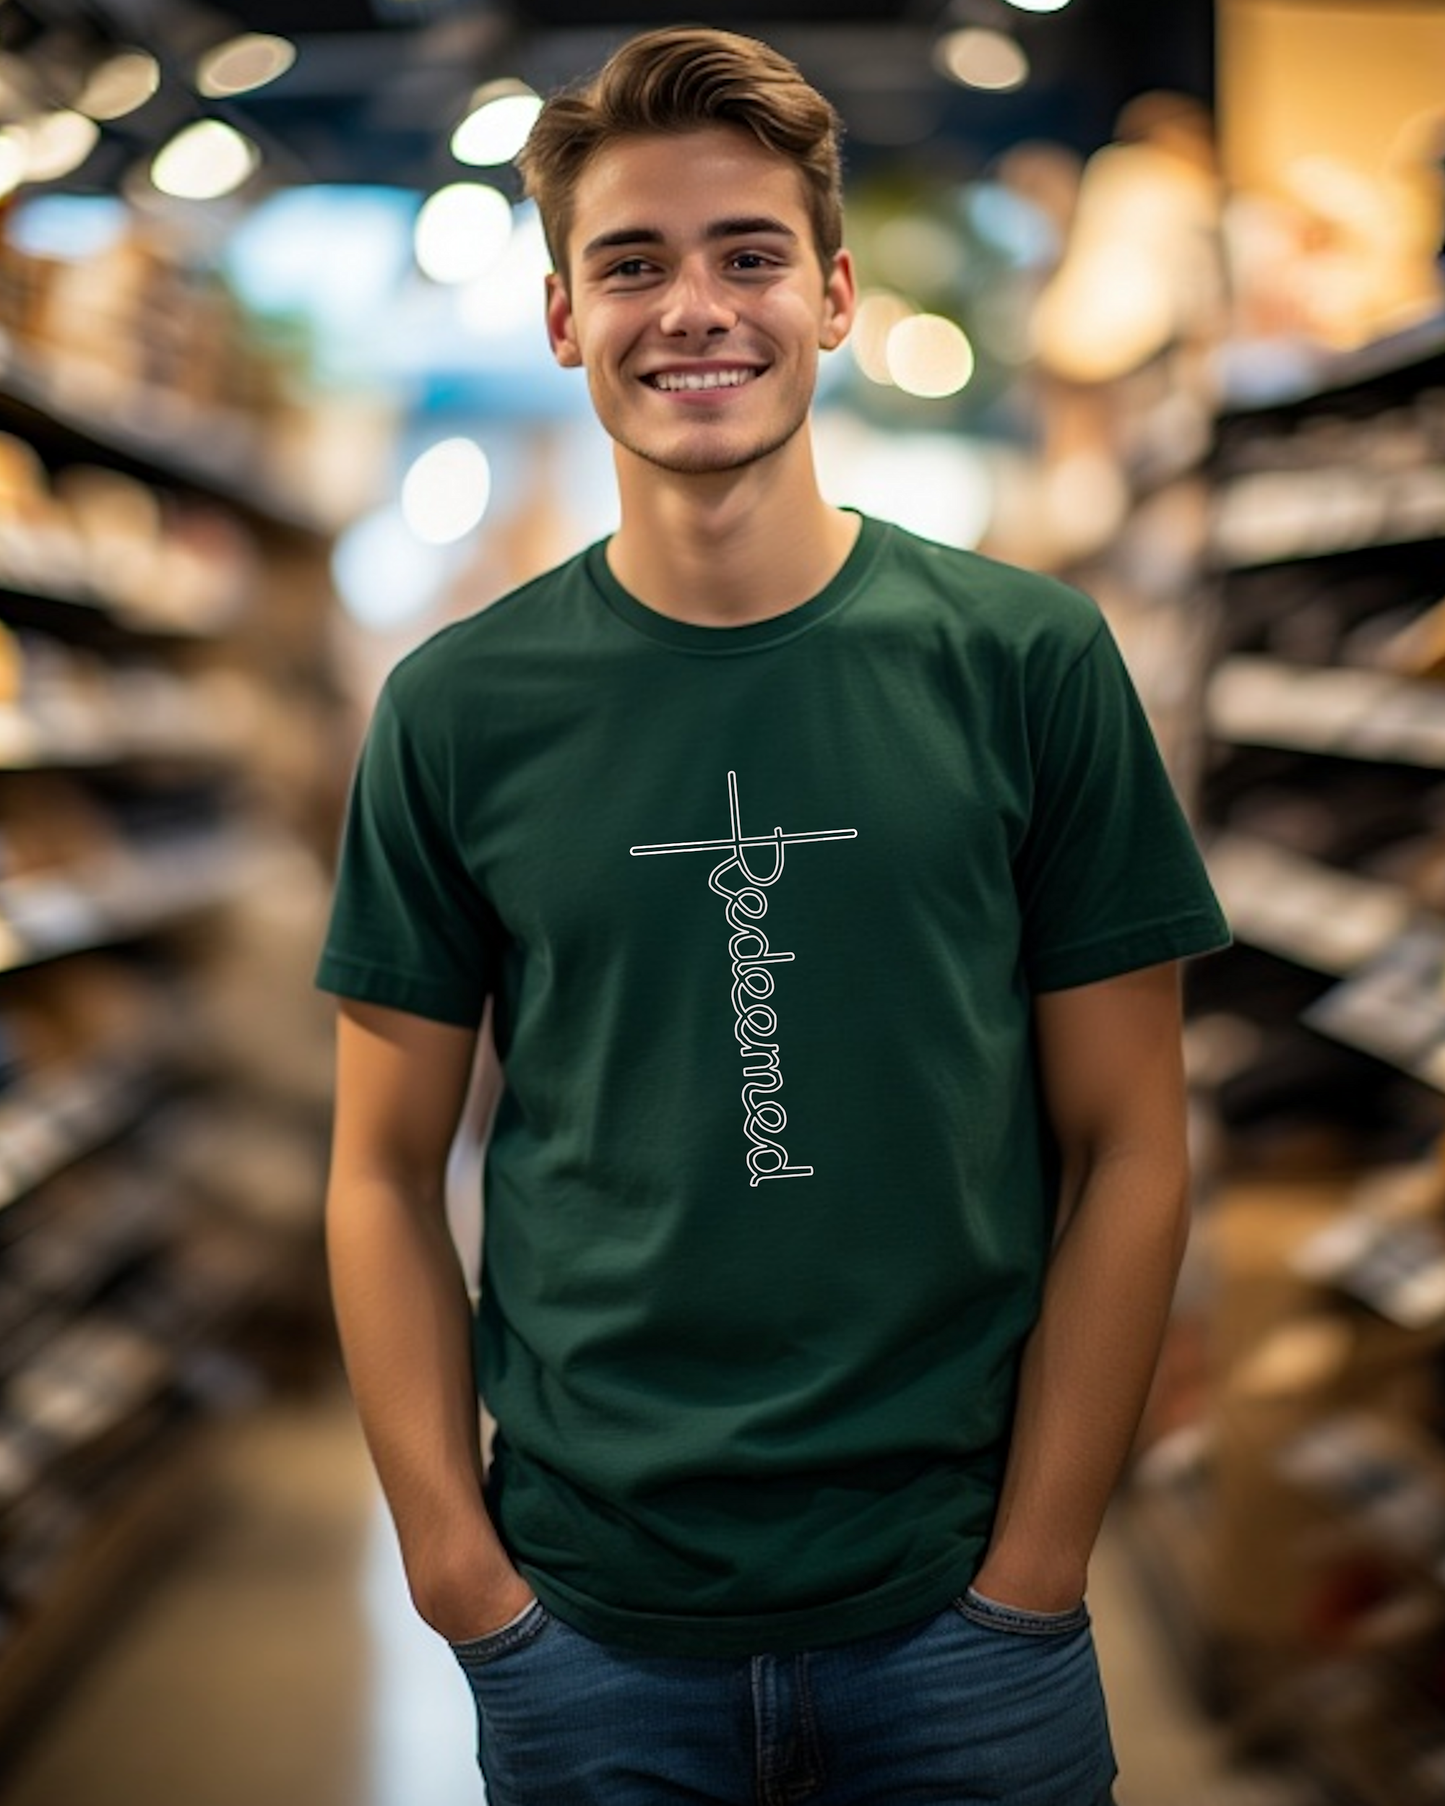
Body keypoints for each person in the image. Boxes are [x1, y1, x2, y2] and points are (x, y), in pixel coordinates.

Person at [316, 25, 1229, 1805]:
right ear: (563, 317)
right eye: (631, 264)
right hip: (587, 1630)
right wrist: (458, 1573)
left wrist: (1039, 1566)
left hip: (963, 1631)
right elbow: (379, 1168)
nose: (695, 310)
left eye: (748, 255)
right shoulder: (458, 709)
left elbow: (1132, 1142)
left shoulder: (1025, 662)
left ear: (834, 295)